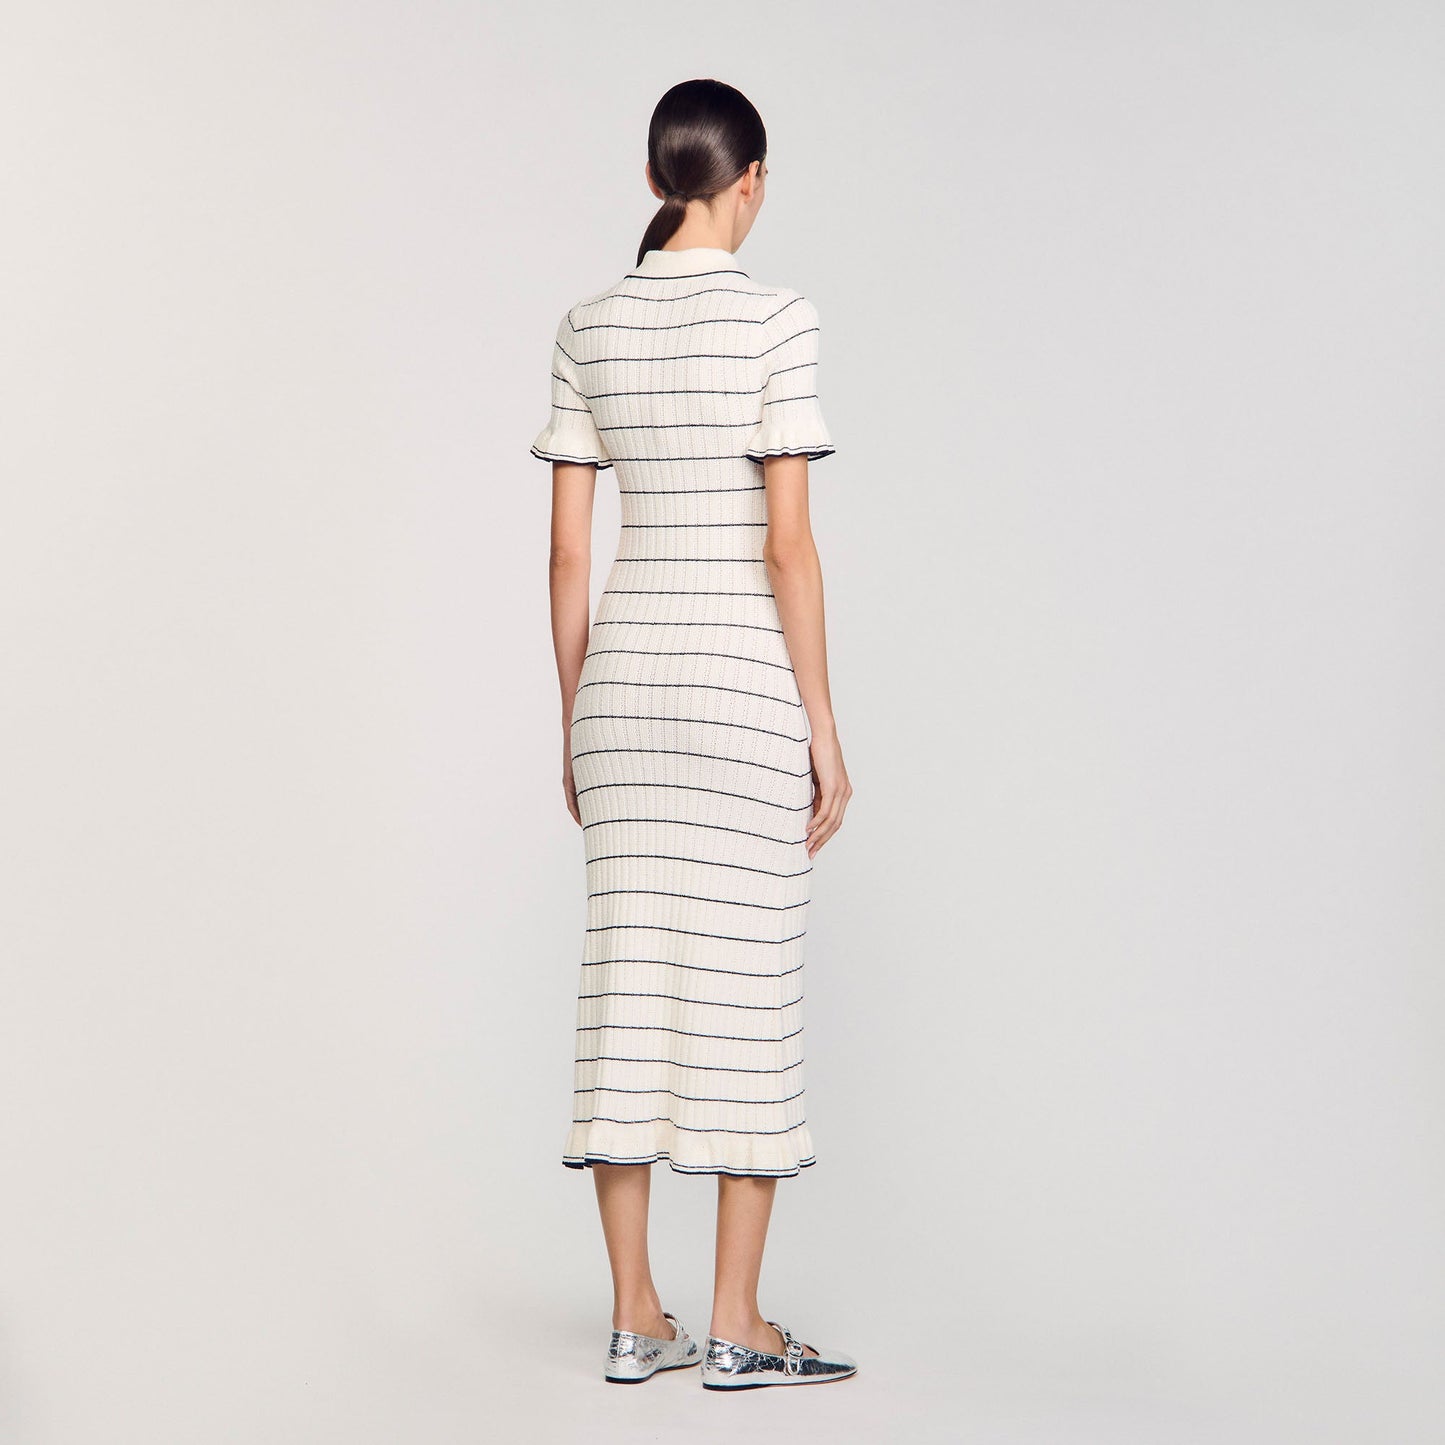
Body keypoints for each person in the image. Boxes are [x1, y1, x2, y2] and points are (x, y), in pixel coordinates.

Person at [530, 78, 856, 1391]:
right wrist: (823, 726)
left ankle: (633, 1317)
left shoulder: (586, 325)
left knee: (623, 993)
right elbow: (788, 547)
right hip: (738, 687)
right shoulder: (779, 319)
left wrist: (576, 722)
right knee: (743, 997)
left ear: (658, 178)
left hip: (623, 691)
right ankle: (737, 1323)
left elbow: (568, 555)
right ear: (750, 179)